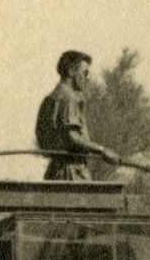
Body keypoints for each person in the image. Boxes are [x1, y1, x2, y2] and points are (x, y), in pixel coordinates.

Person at [34, 50, 119, 181]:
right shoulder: (68, 98)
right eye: (84, 73)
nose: (87, 78)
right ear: (71, 72)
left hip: (54, 172)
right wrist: (103, 151)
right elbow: (72, 137)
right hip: (72, 173)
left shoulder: (51, 98)